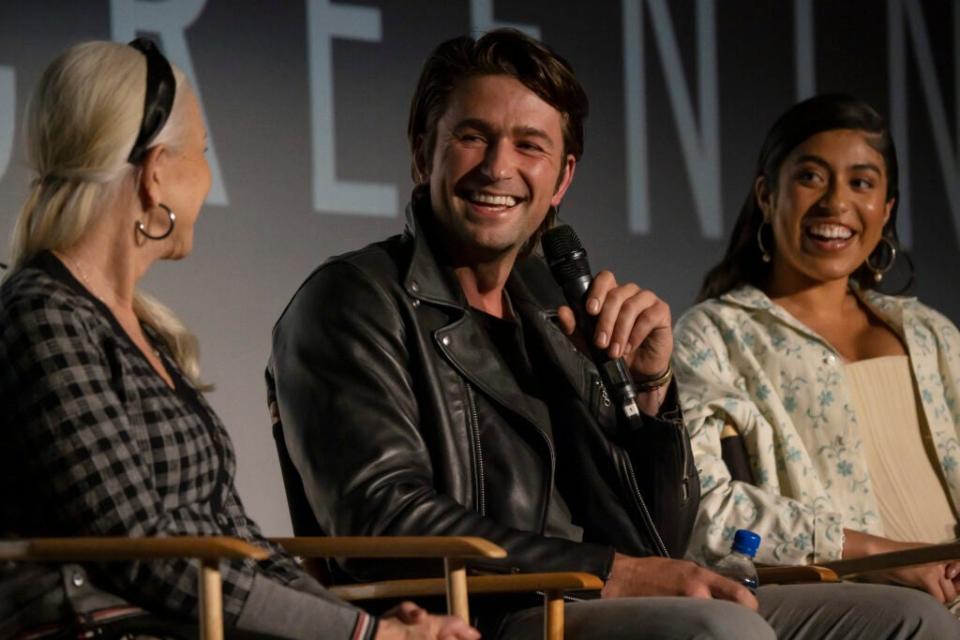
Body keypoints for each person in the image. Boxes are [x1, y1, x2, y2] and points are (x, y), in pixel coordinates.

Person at [268, 31, 960, 639]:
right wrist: (611, 573)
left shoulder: (552, 306)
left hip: (598, 593)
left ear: (562, 177)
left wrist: (654, 397)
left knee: (910, 621)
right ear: (425, 152)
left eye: (529, 146)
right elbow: (383, 518)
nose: (497, 168)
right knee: (718, 630)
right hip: (490, 611)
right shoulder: (352, 300)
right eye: (472, 136)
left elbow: (660, 529)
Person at [0, 39, 478, 640]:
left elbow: (237, 540)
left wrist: (361, 625)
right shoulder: (43, 318)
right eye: (201, 153)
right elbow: (140, 550)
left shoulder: (140, 330)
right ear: (154, 174)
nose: (207, 176)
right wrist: (365, 637)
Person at [673, 93, 960, 607]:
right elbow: (705, 511)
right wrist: (885, 557)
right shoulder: (711, 336)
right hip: (849, 607)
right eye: (811, 176)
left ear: (887, 207)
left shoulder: (933, 334)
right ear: (767, 194)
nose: (836, 203)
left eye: (862, 182)